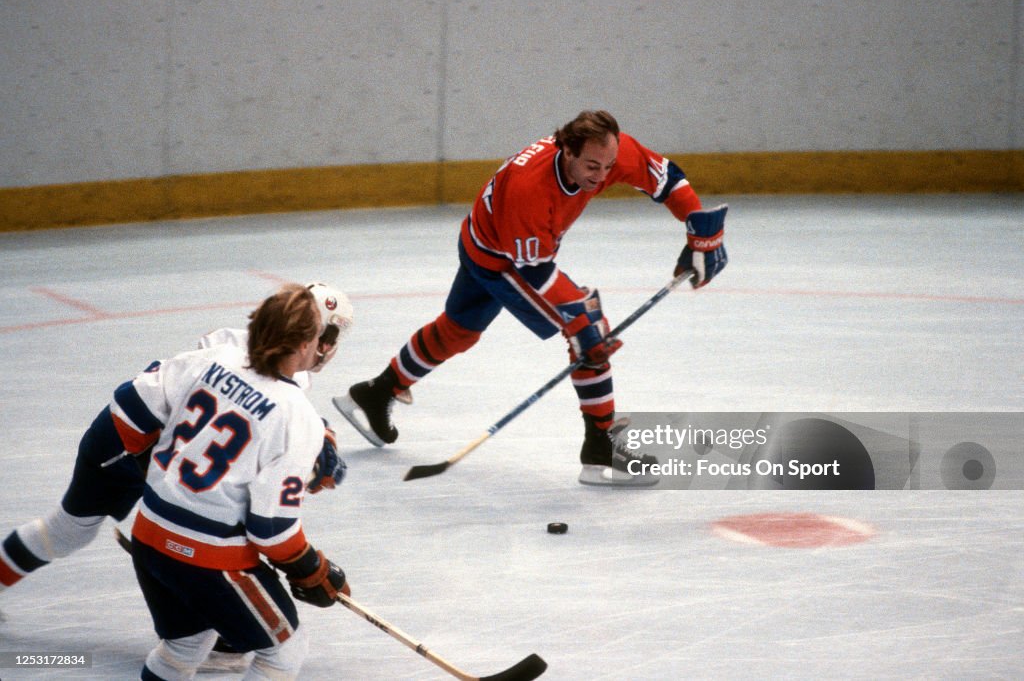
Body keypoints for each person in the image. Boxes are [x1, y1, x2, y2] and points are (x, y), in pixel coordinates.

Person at [335, 110, 728, 486]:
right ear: (567, 151)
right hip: (503, 260)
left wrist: (699, 233)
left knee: (459, 331)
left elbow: (667, 180)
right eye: (593, 167)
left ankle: (376, 392)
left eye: (609, 166)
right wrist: (582, 325)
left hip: (479, 238)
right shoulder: (530, 190)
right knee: (588, 329)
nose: (603, 176)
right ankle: (600, 449)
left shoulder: (606, 150)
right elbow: (535, 271)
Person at [0, 283, 352, 676]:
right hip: (126, 439)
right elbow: (135, 413)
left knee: (185, 633)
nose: (327, 346)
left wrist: (318, 435)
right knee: (71, 529)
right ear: (308, 336)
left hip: (170, 460)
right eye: (327, 335)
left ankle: (205, 607)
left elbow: (254, 411)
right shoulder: (242, 362)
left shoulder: (234, 354)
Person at [127, 283, 348, 679]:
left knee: (184, 646)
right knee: (285, 650)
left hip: (147, 534)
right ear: (301, 344)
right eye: (316, 336)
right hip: (208, 559)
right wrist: (313, 569)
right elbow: (272, 531)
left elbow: (141, 419)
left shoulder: (212, 361)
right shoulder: (297, 415)